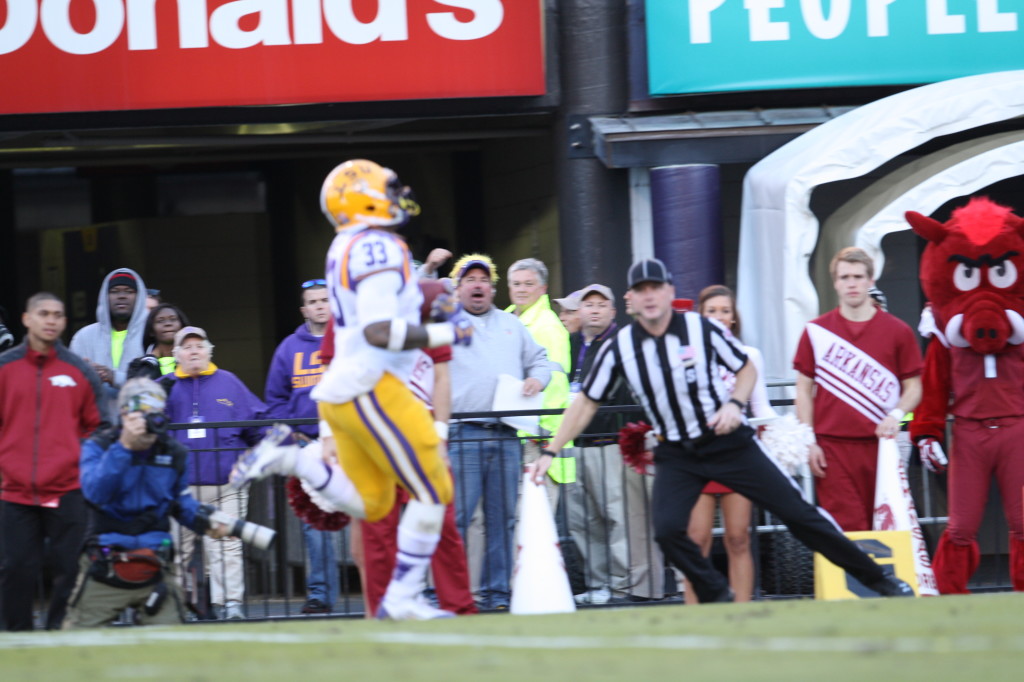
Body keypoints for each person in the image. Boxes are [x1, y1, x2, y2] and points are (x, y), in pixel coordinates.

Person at [531, 257, 916, 603]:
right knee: (667, 532)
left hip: (728, 443)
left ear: (668, 292)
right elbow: (585, 402)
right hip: (677, 452)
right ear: (631, 298)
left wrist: (735, 404)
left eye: (655, 288)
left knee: (798, 513)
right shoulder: (622, 347)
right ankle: (717, 593)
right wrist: (550, 451)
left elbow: (745, 367)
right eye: (640, 290)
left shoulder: (700, 329)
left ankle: (879, 579)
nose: (649, 296)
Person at [230, 159, 474, 621]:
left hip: (344, 392)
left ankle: (292, 459)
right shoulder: (377, 246)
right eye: (387, 188)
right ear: (364, 196)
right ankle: (403, 596)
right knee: (435, 488)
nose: (397, 196)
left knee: (373, 502)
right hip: (373, 386)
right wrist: (447, 334)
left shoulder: (347, 244)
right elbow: (381, 331)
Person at [345, 280, 477, 617]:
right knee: (379, 529)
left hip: (423, 436)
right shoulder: (364, 323)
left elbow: (442, 378)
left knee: (442, 525)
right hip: (378, 435)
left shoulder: (429, 321)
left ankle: (459, 608)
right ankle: (383, 610)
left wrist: (441, 433)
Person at [64, 378, 231, 628]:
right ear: (124, 413)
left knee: (170, 642)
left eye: (157, 412)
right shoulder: (99, 447)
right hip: (106, 564)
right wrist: (124, 448)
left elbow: (180, 503)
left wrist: (208, 522)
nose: (150, 419)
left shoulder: (173, 452)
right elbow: (95, 493)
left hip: (155, 566)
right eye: (142, 412)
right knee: (76, 639)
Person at [445, 253, 551, 611]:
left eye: (484, 281)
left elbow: (540, 359)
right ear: (457, 288)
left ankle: (497, 594)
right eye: (469, 280)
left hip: (506, 434)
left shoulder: (512, 324)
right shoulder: (444, 322)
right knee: (457, 519)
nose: (478, 286)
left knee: (502, 518)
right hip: (463, 433)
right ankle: (451, 593)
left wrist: (538, 377)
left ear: (492, 289)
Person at [793, 247, 923, 531]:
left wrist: (897, 415)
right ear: (835, 282)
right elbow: (802, 389)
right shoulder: (815, 331)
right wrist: (809, 440)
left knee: (887, 530)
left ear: (870, 280)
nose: (851, 283)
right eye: (844, 277)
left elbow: (914, 387)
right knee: (848, 530)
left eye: (857, 276)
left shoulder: (899, 331)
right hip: (831, 447)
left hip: (883, 446)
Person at [0, 292, 105, 630]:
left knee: (70, 568)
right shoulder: (5, 368)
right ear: (26, 319)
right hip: (13, 491)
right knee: (16, 568)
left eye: (57, 315)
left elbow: (102, 425)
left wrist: (79, 462)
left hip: (67, 489)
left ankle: (58, 633)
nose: (51, 320)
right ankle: (17, 638)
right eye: (43, 313)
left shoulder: (78, 370)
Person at [564, 283, 665, 604]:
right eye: (587, 304)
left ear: (612, 311)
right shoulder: (568, 344)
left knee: (618, 517)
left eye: (600, 304)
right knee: (583, 520)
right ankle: (598, 584)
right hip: (576, 444)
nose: (593, 309)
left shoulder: (623, 344)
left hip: (611, 442)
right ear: (579, 311)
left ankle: (624, 585)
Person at [162, 326, 267, 620]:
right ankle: (181, 608)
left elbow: (259, 425)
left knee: (227, 547)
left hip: (226, 485)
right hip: (179, 489)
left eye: (199, 345)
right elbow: (143, 427)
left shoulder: (230, 383)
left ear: (210, 351)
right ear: (175, 355)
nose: (193, 351)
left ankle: (229, 605)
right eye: (187, 347)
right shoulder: (163, 386)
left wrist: (253, 463)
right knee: (177, 552)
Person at [682, 284, 778, 604]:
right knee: (697, 541)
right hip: (698, 457)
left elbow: (761, 409)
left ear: (734, 317)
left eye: (725, 311)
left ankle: (742, 615)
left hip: (738, 456)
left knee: (739, 539)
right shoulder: (686, 356)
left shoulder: (750, 356)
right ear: (700, 316)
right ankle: (694, 618)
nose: (720, 317)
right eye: (712, 311)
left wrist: (780, 442)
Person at [264, 279, 338, 615]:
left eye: (325, 300)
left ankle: (376, 588)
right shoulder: (288, 349)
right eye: (313, 301)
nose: (320, 306)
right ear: (304, 309)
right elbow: (275, 400)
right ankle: (320, 594)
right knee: (315, 522)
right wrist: (292, 435)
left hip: (351, 443)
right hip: (308, 444)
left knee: (368, 517)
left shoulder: (350, 340)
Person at [504, 258, 574, 501]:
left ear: (543, 288)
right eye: (516, 284)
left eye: (528, 284)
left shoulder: (548, 327)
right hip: (514, 436)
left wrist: (538, 430)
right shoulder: (505, 319)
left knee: (533, 524)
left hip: (536, 440)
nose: (521, 289)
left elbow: (555, 387)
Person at [69, 268, 149, 392]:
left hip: (141, 410)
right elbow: (70, 383)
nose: (122, 296)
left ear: (139, 298)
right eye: (114, 291)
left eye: (129, 291)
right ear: (104, 297)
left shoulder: (150, 334)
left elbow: (158, 382)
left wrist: (115, 377)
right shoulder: (83, 337)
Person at [142, 303, 190, 376]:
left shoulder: (194, 360)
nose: (168, 324)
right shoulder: (142, 364)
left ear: (182, 326)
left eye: (173, 319)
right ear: (151, 331)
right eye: (160, 321)